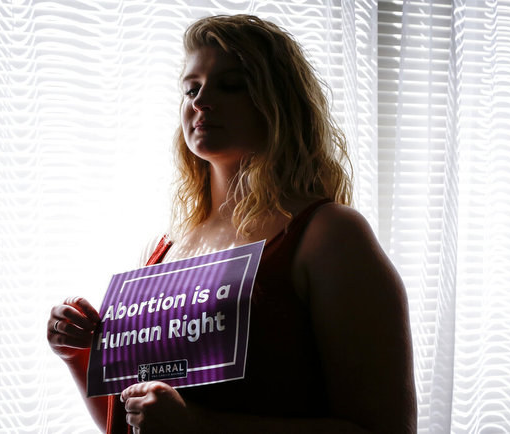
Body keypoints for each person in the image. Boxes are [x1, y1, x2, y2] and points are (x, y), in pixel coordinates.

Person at [47, 14, 416, 434]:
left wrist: (202, 426)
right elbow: (136, 423)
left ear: (278, 101)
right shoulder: (166, 247)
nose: (201, 100)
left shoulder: (329, 234)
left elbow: (386, 429)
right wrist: (77, 356)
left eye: (231, 85)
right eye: (192, 88)